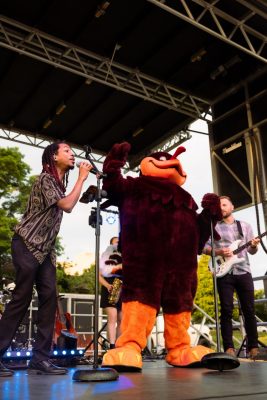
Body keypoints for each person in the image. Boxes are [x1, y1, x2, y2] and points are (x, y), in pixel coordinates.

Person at [0, 142, 92, 377]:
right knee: (21, 297)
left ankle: (40, 359)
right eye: (67, 151)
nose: (72, 154)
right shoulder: (45, 179)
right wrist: (82, 177)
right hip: (27, 243)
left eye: (72, 151)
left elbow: (69, 201)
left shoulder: (59, 184)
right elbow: (67, 205)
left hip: (46, 250)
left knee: (49, 298)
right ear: (53, 156)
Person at [203, 195, 260, 359]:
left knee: (249, 309)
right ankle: (228, 347)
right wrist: (220, 252)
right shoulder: (213, 227)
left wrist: (254, 246)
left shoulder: (245, 226)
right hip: (224, 273)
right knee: (226, 310)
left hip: (243, 271)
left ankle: (253, 347)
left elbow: (252, 251)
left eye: (225, 205)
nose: (222, 208)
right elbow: (204, 248)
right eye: (219, 205)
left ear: (232, 207)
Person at [99, 237, 122, 350]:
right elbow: (99, 276)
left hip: (122, 286)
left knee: (121, 318)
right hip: (110, 285)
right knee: (112, 316)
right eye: (116, 241)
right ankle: (112, 346)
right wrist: (107, 285)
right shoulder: (105, 255)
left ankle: (118, 345)